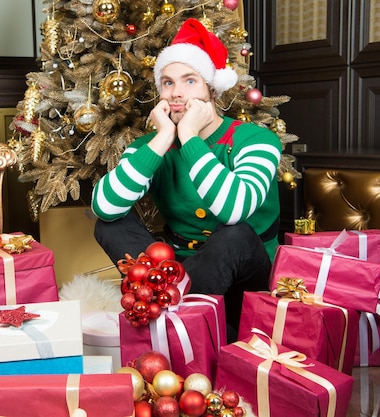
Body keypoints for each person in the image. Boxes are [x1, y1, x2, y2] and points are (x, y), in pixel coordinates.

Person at [91, 18, 282, 341]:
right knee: (109, 224)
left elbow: (234, 209)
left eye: (190, 81)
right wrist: (164, 137)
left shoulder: (255, 139)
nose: (176, 93)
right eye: (167, 83)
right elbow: (104, 206)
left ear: (213, 88)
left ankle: (171, 323)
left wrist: (190, 136)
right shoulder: (152, 145)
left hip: (246, 276)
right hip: (176, 269)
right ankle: (180, 316)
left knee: (233, 235)